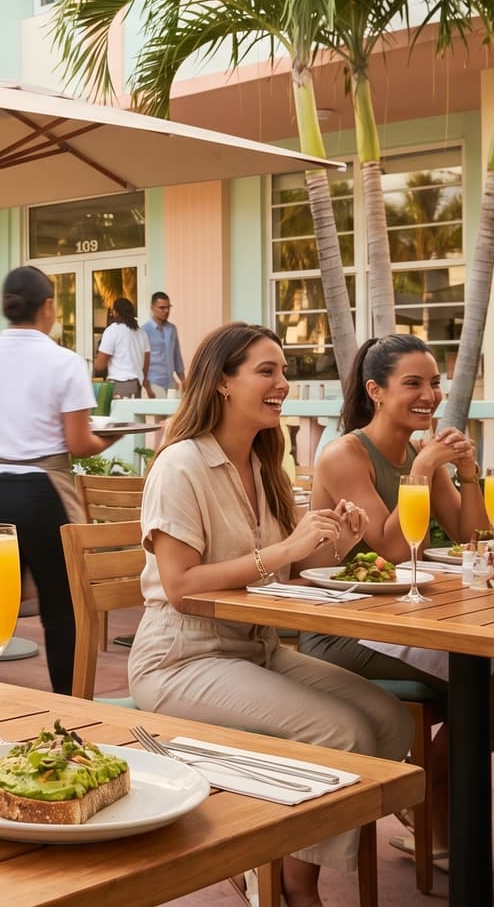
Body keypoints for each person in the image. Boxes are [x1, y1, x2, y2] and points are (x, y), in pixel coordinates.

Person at [130, 323, 410, 904]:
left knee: (389, 719)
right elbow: (180, 587)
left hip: (257, 649)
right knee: (342, 730)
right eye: (267, 371)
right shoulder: (180, 465)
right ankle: (295, 886)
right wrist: (282, 549)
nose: (284, 382)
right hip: (180, 658)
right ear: (223, 383)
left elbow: (285, 573)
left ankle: (283, 851)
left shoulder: (263, 465)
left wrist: (339, 542)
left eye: (283, 371)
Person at [304, 333, 494, 860]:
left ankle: (429, 790)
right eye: (412, 383)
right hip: (341, 628)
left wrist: (464, 472)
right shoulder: (345, 455)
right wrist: (421, 469)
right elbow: (391, 549)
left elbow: (474, 537)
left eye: (434, 383)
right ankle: (431, 798)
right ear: (375, 390)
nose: (430, 395)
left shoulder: (424, 456)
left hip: (400, 618)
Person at [0, 267, 120, 694]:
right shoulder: (63, 362)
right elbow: (79, 443)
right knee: (62, 611)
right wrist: (110, 437)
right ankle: (71, 710)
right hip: (44, 493)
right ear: (48, 307)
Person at [95, 297, 153, 399]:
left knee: (119, 415)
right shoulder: (142, 333)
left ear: (116, 313)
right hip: (136, 386)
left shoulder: (113, 331)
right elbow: (146, 364)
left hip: (119, 385)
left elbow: (100, 366)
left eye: (112, 311)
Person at [141, 291, 185, 393]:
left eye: (168, 307)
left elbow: (177, 356)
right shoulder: (144, 330)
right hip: (153, 383)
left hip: (171, 383)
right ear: (152, 308)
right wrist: (146, 386)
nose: (166, 311)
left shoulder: (172, 329)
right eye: (162, 308)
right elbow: (141, 361)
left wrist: (183, 380)